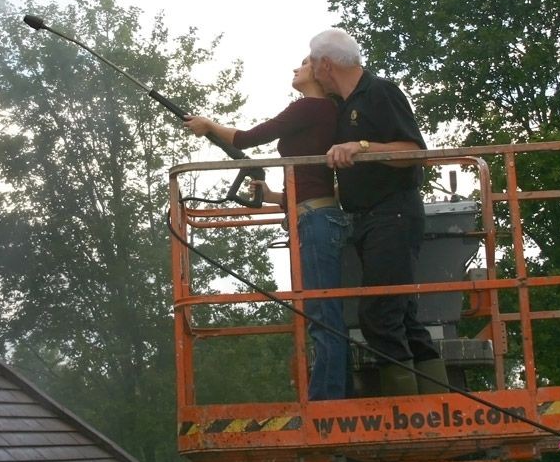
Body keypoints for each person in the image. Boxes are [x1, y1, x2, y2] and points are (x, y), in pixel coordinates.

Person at [182, 55, 351, 400]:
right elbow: (312, 183)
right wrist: (274, 195)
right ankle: (330, 394)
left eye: (303, 64)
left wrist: (210, 126)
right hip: (315, 215)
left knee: (322, 315)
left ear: (318, 74)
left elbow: (247, 138)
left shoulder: (309, 107)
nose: (295, 69)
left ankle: (327, 401)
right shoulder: (322, 112)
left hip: (315, 220)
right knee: (321, 312)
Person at [308, 27, 449, 397]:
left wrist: (362, 146)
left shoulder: (379, 92)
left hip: (393, 213)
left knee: (379, 314)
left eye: (311, 62)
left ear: (326, 64)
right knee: (400, 314)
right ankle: (438, 405)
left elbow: (414, 152)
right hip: (370, 217)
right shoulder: (345, 106)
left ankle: (406, 412)